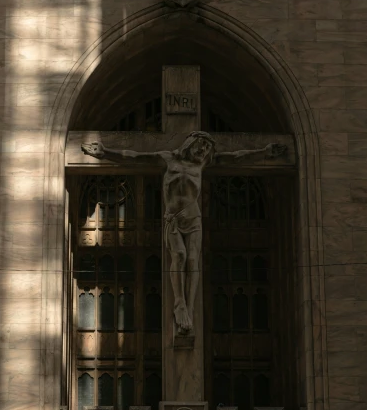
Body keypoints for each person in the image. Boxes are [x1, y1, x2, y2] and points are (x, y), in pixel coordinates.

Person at [81, 132, 285, 336]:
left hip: (193, 219)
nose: (203, 151)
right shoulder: (167, 159)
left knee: (193, 260)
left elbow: (237, 157)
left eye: (207, 149)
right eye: (201, 145)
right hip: (173, 218)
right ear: (190, 143)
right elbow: (133, 156)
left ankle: (189, 307)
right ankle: (179, 302)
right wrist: (105, 152)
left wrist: (263, 152)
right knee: (179, 255)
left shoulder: (202, 164)